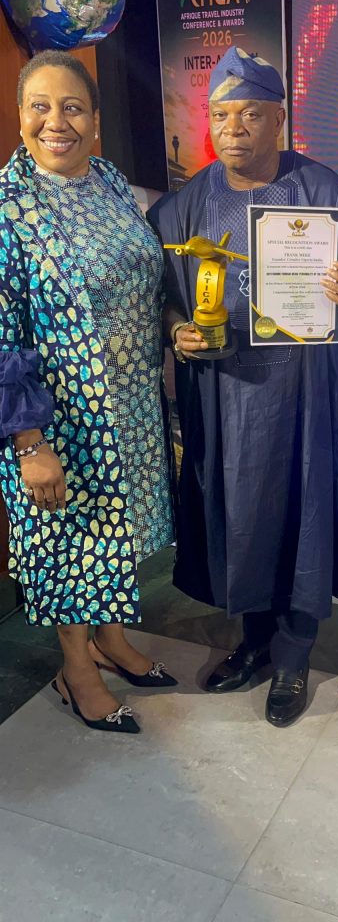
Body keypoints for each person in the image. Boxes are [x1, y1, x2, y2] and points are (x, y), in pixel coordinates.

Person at [149, 47, 338, 727]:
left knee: (302, 518)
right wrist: (177, 331)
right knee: (243, 516)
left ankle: (294, 655)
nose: (234, 129)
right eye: (222, 115)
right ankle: (253, 643)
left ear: (280, 119)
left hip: (305, 396)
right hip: (227, 397)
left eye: (251, 114)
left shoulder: (333, 197)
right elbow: (162, 300)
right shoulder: (180, 210)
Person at [0, 51, 177, 735]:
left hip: (126, 406)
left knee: (115, 534)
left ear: (96, 122)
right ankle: (77, 669)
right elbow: (3, 339)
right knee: (70, 545)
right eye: (40, 107)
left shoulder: (109, 183)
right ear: (20, 117)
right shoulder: (10, 211)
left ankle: (111, 641)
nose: (56, 122)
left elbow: (144, 278)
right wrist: (30, 443)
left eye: (72, 107)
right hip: (56, 423)